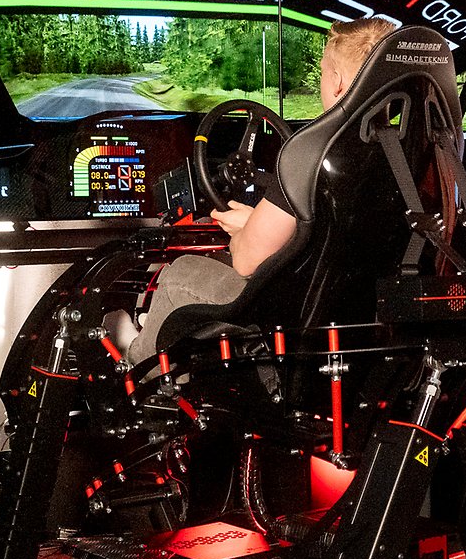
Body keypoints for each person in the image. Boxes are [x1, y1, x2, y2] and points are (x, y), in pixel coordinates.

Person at [126, 18, 396, 365]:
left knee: (179, 273)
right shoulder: (414, 152)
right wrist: (257, 221)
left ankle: (137, 361)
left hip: (299, 314)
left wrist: (247, 233)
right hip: (372, 314)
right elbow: (338, 233)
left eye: (323, 72)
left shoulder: (309, 151)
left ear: (338, 81)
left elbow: (246, 261)